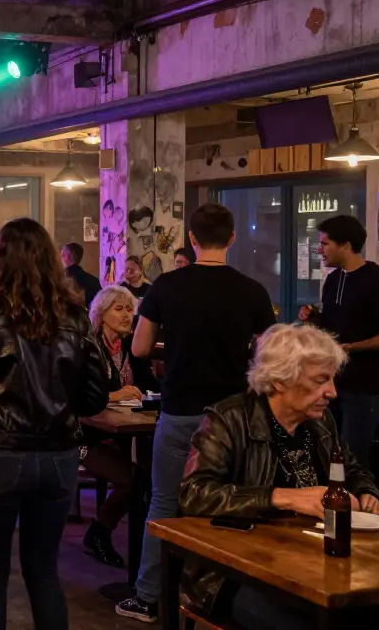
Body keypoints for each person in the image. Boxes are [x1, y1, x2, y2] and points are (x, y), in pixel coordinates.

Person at [178, 324, 379, 630]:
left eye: (332, 379)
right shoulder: (229, 419)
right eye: (321, 380)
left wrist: (367, 492)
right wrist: (282, 497)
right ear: (280, 380)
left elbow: (353, 470)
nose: (332, 392)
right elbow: (193, 493)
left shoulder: (320, 421)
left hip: (317, 564)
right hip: (237, 573)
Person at [0, 219, 109, 630]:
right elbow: (96, 396)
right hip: (59, 458)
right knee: (44, 571)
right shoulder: (76, 318)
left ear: (0, 262)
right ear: (50, 262)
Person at [116, 203, 277, 623]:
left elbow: (139, 348)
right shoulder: (252, 290)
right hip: (234, 416)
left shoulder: (166, 286)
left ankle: (149, 597)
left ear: (191, 238)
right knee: (230, 504)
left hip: (180, 408)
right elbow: (269, 354)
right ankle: (223, 598)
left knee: (165, 501)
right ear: (232, 237)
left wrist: (173, 350)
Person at [299, 215, 379, 469]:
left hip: (365, 386)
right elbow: (335, 327)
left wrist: (352, 348)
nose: (320, 250)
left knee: (351, 459)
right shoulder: (333, 279)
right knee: (327, 453)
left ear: (345, 245)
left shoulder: (377, 280)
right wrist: (314, 317)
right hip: (332, 382)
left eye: (325, 243)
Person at [82, 285, 156, 568]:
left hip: (124, 431)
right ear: (102, 314)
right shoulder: (88, 347)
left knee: (151, 474)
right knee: (134, 480)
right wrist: (113, 395)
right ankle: (99, 533)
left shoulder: (131, 346)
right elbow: (78, 395)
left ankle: (152, 547)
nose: (127, 315)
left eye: (129, 309)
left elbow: (149, 384)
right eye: (119, 309)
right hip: (85, 436)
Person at [61, 241, 102, 307]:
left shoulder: (60, 281)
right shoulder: (94, 281)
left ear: (68, 256)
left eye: (62, 255)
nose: (60, 259)